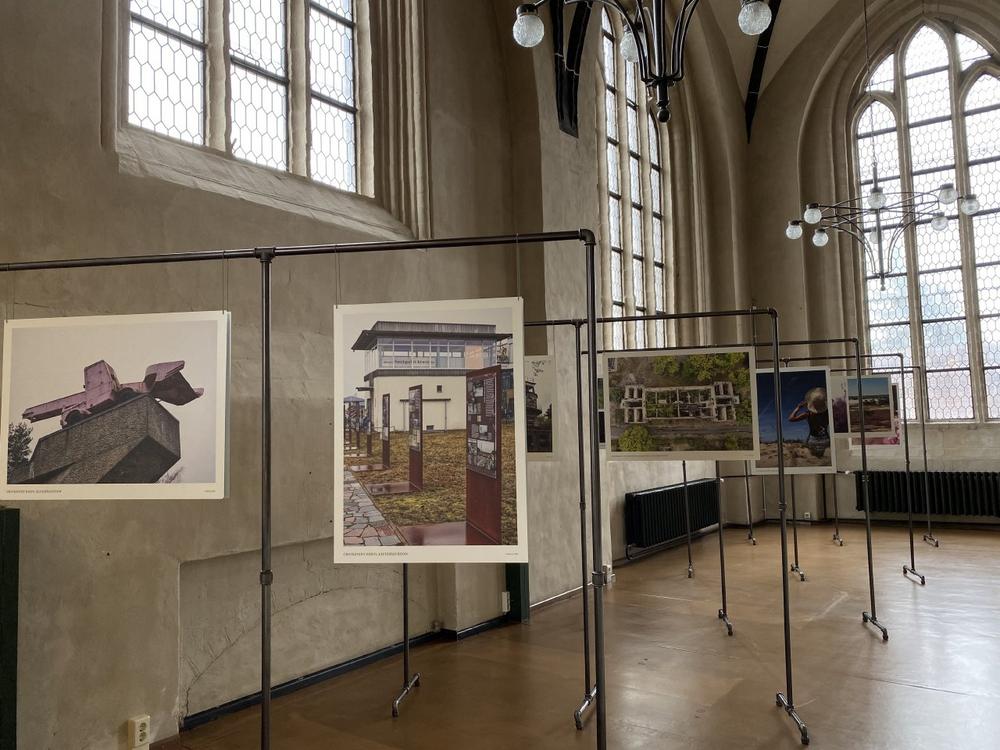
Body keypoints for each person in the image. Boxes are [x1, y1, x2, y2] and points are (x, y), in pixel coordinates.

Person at [788, 387, 830, 458]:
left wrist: (798, 408)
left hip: (813, 440)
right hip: (825, 439)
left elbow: (791, 419)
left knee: (814, 457)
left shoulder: (808, 414)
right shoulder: (828, 413)